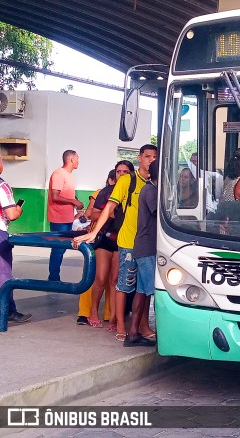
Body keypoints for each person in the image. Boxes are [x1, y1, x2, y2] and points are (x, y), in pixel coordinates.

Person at [74, 145, 157, 342]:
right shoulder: (128, 181)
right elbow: (110, 206)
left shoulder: (157, 184)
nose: (151, 160)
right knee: (123, 285)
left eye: (155, 157)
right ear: (139, 158)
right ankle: (120, 324)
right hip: (128, 242)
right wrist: (93, 232)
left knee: (145, 289)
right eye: (147, 156)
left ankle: (143, 326)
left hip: (149, 244)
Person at [87, 161, 135, 330]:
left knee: (115, 280)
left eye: (125, 171)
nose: (121, 174)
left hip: (123, 242)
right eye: (118, 171)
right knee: (100, 278)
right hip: (106, 240)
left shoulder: (135, 192)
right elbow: (92, 214)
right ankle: (93, 311)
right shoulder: (106, 192)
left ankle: (114, 317)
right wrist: (109, 213)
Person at [124, 159, 159, 347]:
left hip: (145, 247)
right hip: (146, 248)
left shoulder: (149, 189)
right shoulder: (151, 191)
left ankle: (133, 332)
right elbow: (159, 214)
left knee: (141, 293)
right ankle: (136, 332)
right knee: (149, 292)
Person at [76, 169, 115, 326]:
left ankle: (109, 314)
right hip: (97, 238)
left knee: (112, 279)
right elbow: (90, 213)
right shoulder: (100, 193)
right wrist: (110, 214)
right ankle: (85, 313)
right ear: (111, 180)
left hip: (115, 238)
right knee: (93, 276)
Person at [0, 156, 31, 324]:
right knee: (3, 276)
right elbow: (11, 214)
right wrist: (19, 209)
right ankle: (8, 311)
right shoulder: (2, 185)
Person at [47, 150, 84, 282]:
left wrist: (77, 204)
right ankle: (53, 278)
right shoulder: (58, 174)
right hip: (59, 218)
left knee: (61, 249)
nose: (79, 161)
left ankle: (55, 277)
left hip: (67, 218)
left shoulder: (68, 175)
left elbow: (66, 195)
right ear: (71, 160)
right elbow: (55, 196)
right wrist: (74, 201)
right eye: (77, 158)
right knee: (58, 248)